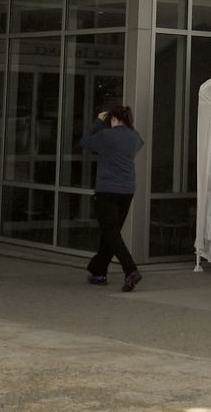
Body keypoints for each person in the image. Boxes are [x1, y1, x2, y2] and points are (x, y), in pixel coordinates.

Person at [80, 104, 145, 291]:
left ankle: (130, 270)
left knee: (111, 233)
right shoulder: (134, 137)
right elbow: (139, 143)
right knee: (111, 232)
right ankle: (98, 271)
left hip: (107, 190)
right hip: (127, 190)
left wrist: (98, 122)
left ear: (114, 119)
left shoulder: (106, 135)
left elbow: (85, 141)